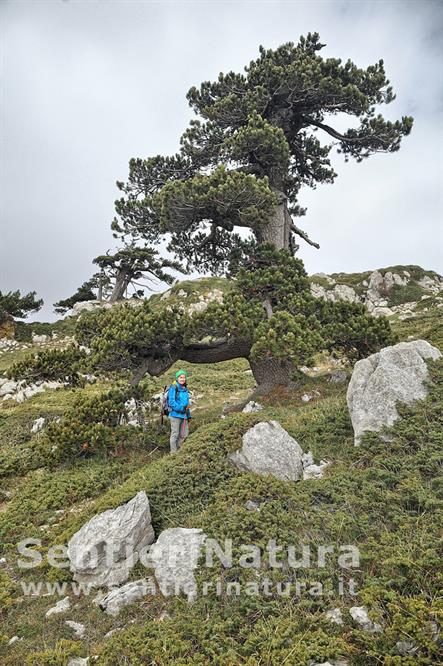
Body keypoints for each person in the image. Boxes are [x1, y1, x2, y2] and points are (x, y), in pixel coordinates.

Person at [168, 369, 191, 452]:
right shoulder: (174, 388)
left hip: (184, 415)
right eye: (180, 377)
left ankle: (179, 451)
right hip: (175, 415)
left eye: (184, 377)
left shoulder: (185, 388)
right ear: (177, 378)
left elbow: (187, 404)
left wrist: (188, 415)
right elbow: (171, 402)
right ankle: (173, 454)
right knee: (175, 434)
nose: (182, 379)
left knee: (184, 434)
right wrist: (181, 409)